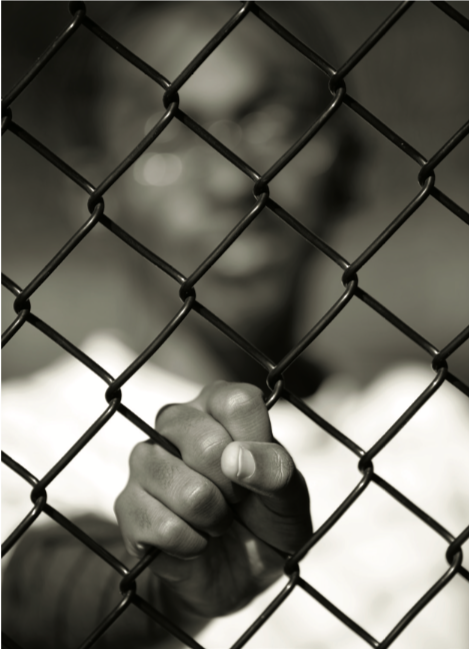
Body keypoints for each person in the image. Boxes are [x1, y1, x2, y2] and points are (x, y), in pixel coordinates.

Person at [2, 3, 468, 649]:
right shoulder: (20, 436)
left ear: (345, 159)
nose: (232, 178)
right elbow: (25, 592)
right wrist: (161, 585)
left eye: (273, 122)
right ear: (94, 188)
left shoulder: (432, 425)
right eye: (165, 136)